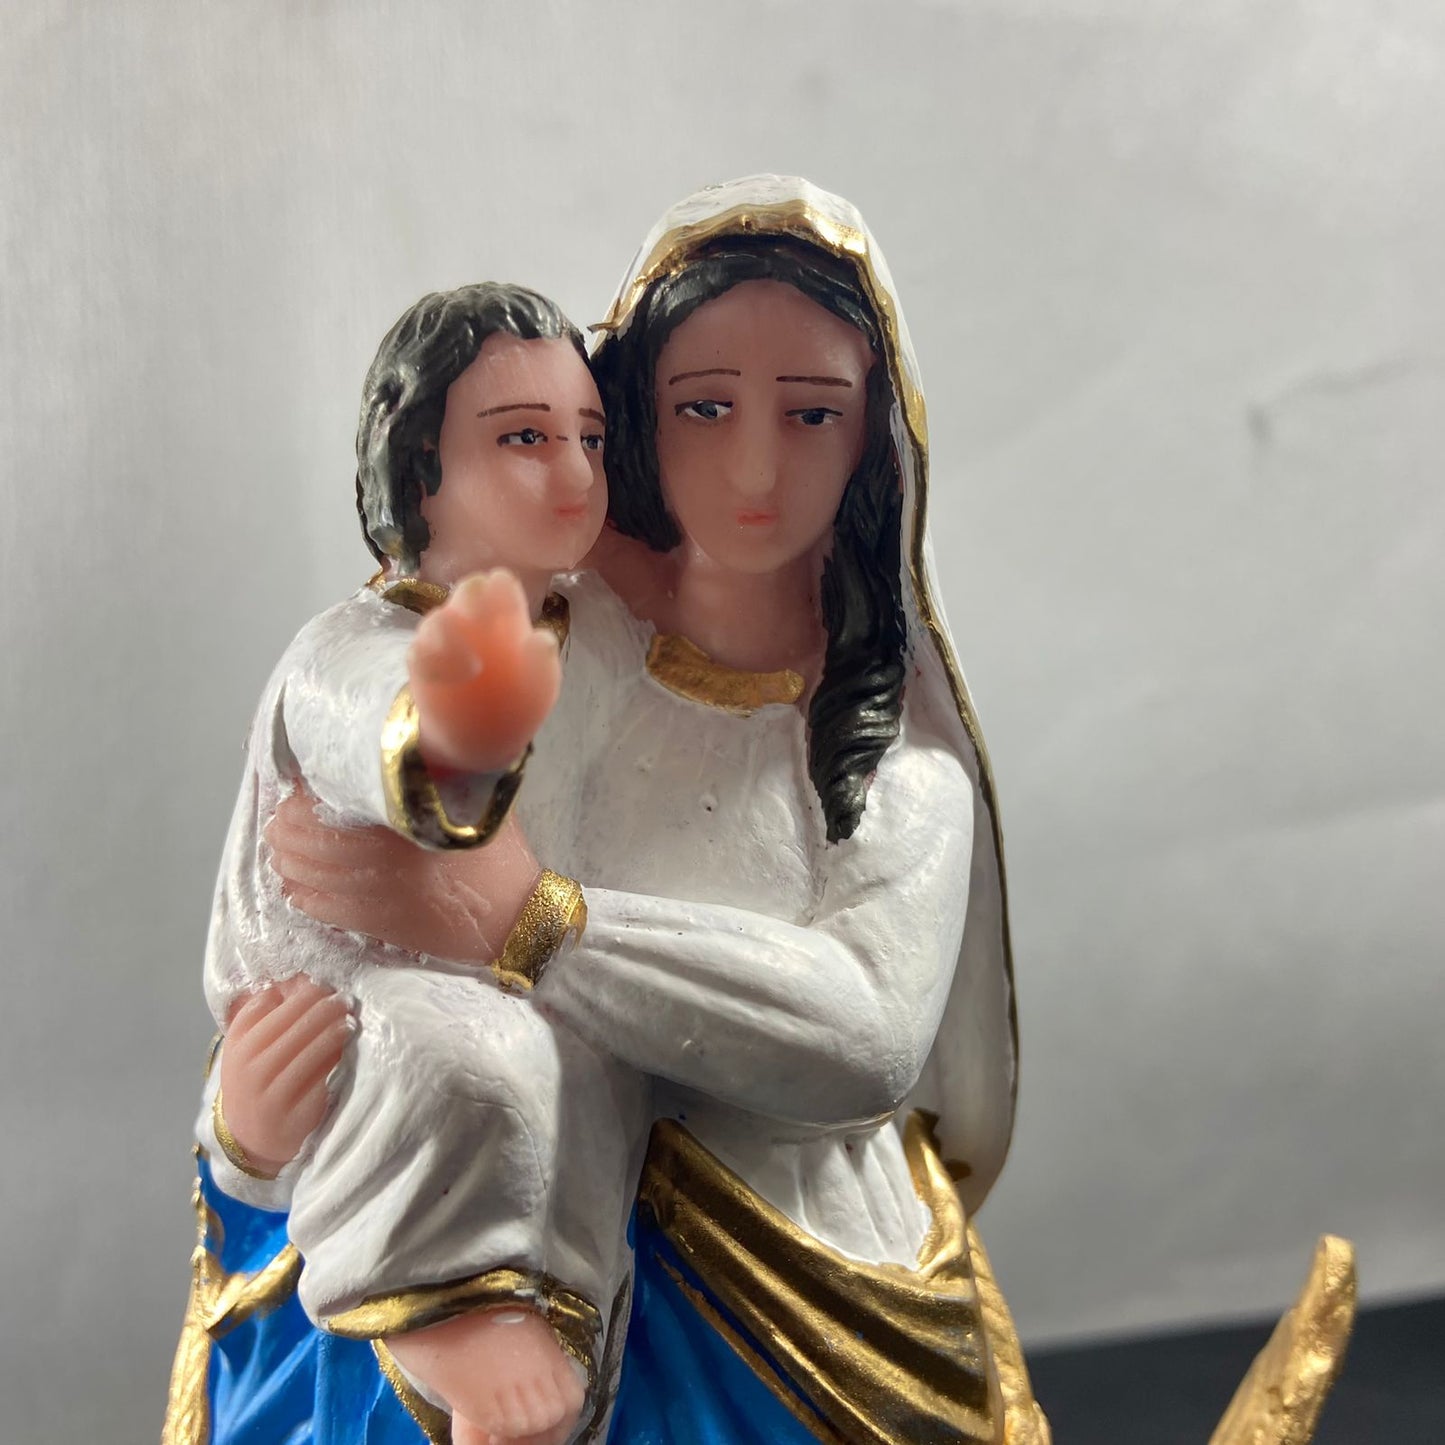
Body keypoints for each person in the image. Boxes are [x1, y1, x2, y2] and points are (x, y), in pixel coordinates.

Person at [213, 177, 1023, 1444]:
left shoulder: (892, 767)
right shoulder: (536, 640)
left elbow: (865, 1038)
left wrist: (531, 922)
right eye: (702, 407)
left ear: (874, 441)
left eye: (811, 413)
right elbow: (310, 912)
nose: (753, 467)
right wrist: (246, 1141)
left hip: (795, 1291)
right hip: (470, 1222)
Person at [170, 283, 651, 1445]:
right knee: (474, 1056)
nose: (572, 471)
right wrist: (451, 730)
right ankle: (450, 1316)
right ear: (418, 467)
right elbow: (363, 716)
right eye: (522, 437)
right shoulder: (356, 643)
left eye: (589, 437)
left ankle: (538, 1328)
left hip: (557, 1075)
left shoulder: (603, 641)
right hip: (350, 1018)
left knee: (556, 1076)